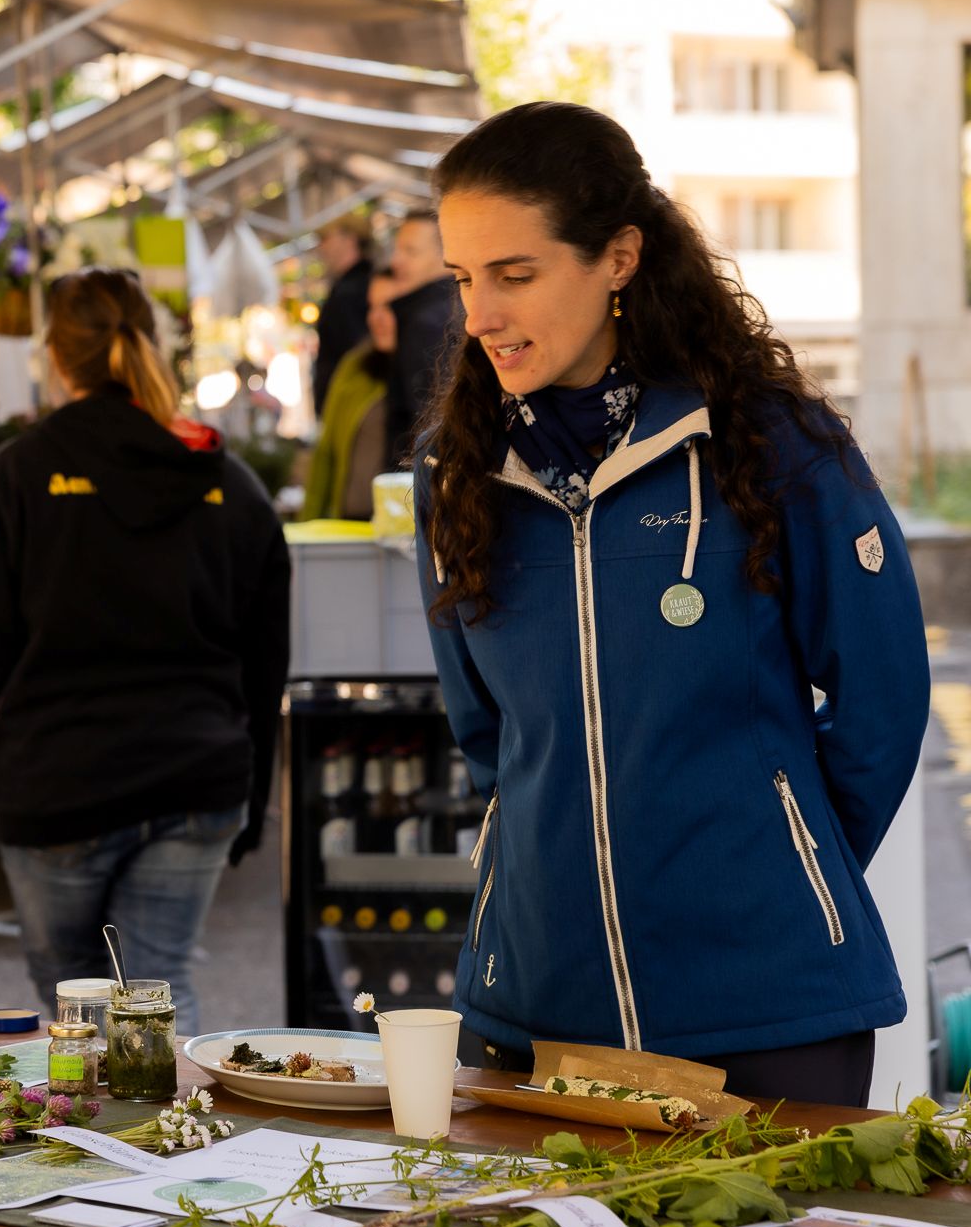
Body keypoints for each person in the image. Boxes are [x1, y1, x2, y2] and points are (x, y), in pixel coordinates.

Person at [414, 101, 928, 1105]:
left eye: (514, 274)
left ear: (617, 258)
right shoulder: (459, 473)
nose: (479, 315)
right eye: (463, 278)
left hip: (770, 1006)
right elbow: (486, 732)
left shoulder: (769, 444)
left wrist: (783, 870)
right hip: (536, 1004)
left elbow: (882, 696)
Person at [0, 267, 290, 1028]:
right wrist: (253, 803)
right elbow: (266, 661)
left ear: (56, 358)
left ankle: (101, 1110)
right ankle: (176, 1111)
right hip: (195, 782)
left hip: (58, 789)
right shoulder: (229, 482)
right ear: (150, 342)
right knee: (160, 993)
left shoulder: (17, 478)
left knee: (74, 999)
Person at [300, 268, 399, 522]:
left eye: (390, 306)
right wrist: (310, 521)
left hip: (404, 526)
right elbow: (326, 452)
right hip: (351, 521)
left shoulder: (428, 368)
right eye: (372, 307)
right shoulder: (355, 367)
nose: (377, 318)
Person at [384, 209, 459, 467]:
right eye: (397, 250)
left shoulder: (428, 322)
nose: (396, 261)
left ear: (445, 255)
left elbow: (427, 418)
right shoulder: (445, 310)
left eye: (411, 251)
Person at [310, 214, 375, 416]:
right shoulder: (354, 285)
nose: (321, 247)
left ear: (349, 239)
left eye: (325, 238)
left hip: (349, 403)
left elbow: (356, 351)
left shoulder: (352, 290)